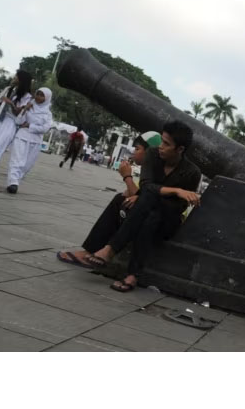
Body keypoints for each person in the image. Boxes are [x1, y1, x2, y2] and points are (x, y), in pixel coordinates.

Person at [84, 121, 202, 291]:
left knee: (150, 203)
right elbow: (146, 185)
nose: (161, 146)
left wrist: (155, 197)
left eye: (167, 144)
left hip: (168, 221)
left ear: (180, 149)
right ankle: (132, 275)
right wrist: (175, 190)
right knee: (148, 214)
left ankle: (111, 248)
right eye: (161, 141)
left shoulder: (192, 172)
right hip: (150, 214)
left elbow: (177, 208)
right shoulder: (153, 155)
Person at [56, 131, 162, 266]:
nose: (133, 152)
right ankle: (96, 249)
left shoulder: (154, 172)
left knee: (120, 201)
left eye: (137, 149)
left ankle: (92, 250)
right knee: (122, 198)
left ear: (149, 153)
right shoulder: (149, 170)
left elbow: (144, 201)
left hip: (153, 220)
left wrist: (127, 177)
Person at [5, 87, 54, 194]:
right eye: (37, 94)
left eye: (42, 95)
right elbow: (18, 121)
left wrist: (30, 125)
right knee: (17, 160)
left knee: (27, 165)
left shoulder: (48, 114)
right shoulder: (29, 106)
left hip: (36, 141)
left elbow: (45, 129)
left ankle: (16, 180)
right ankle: (12, 182)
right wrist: (25, 109)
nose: (38, 97)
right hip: (22, 136)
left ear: (47, 98)